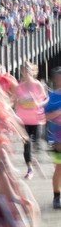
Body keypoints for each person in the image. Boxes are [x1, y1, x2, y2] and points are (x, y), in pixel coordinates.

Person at [13, 62, 48, 179]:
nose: (26, 71)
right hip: (24, 120)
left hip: (37, 120)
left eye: (28, 69)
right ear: (22, 71)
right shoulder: (19, 86)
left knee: (38, 144)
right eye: (24, 69)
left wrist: (38, 103)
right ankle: (30, 169)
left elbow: (45, 100)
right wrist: (21, 104)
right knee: (27, 146)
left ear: (32, 71)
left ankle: (35, 160)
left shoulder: (38, 85)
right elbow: (15, 103)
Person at [44, 67, 61, 209]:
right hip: (57, 138)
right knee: (59, 168)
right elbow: (44, 118)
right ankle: (57, 197)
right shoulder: (52, 97)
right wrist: (57, 113)